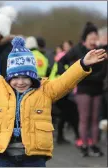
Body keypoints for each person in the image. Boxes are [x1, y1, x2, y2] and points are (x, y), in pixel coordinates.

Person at [0, 36, 107, 167]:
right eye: (16, 77)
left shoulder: (45, 90)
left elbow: (66, 80)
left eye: (26, 77)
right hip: (5, 157)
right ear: (9, 77)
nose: (20, 82)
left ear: (33, 77)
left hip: (34, 157)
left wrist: (83, 64)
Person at [59, 22, 106, 157]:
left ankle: (94, 145)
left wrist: (91, 77)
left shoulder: (101, 50)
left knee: (95, 119)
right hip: (83, 89)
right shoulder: (77, 49)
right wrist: (69, 76)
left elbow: (103, 70)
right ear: (85, 38)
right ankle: (84, 144)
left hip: (97, 88)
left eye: (95, 36)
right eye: (91, 36)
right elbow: (61, 62)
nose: (93, 39)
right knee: (84, 118)